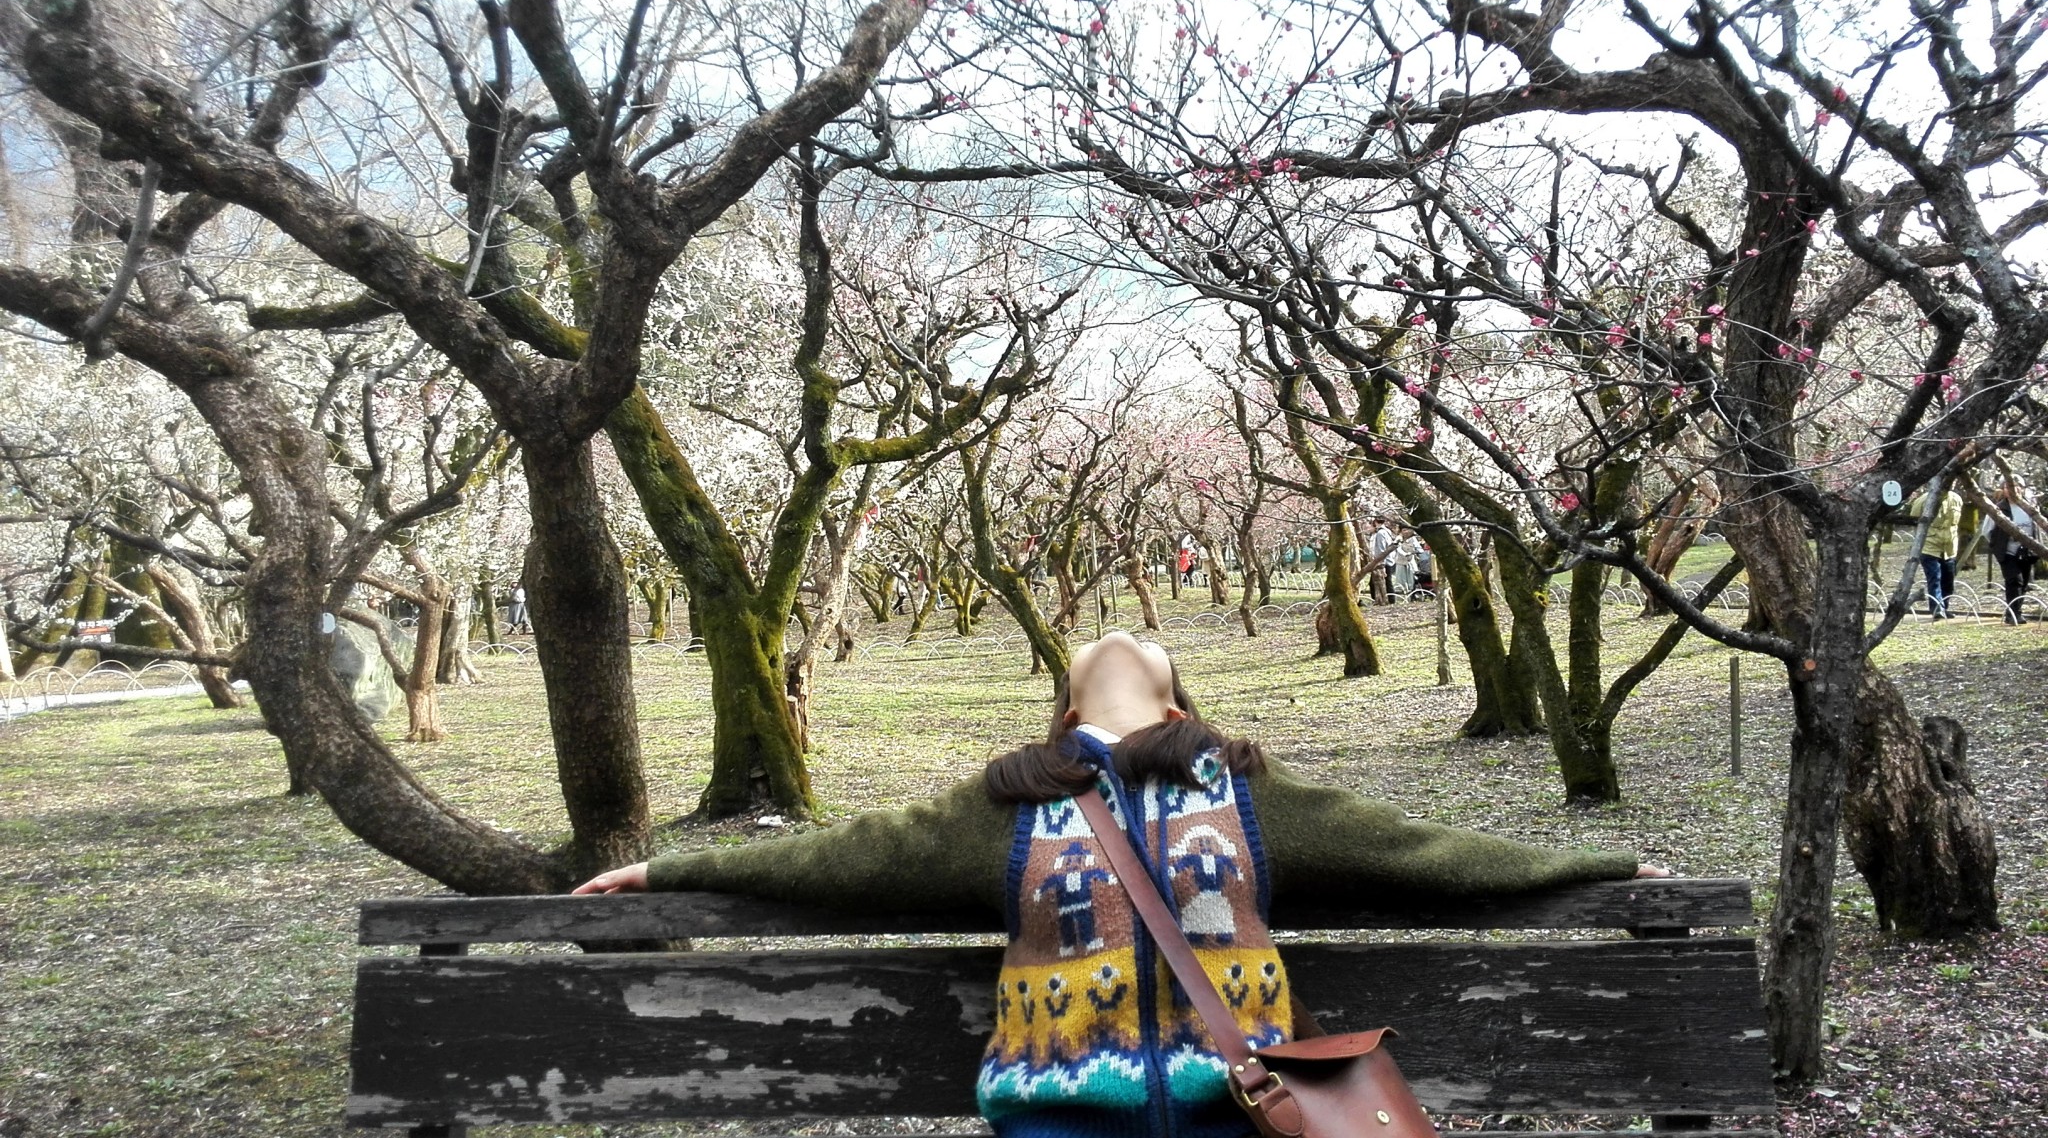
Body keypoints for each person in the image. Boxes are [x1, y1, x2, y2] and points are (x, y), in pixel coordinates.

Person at [576, 633, 1664, 1135]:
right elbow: (836, 859)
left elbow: (1421, 853)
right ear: (1062, 713)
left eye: (1145, 645)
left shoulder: (1244, 789)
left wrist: (1599, 864)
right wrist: (670, 867)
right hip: (1057, 1119)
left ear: (1179, 707)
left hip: (1245, 1111)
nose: (1117, 638)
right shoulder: (1004, 803)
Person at [1986, 483, 2038, 625]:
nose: (2013, 490)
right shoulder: (1999, 509)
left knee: (2024, 583)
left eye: (2017, 486)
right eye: (2008, 487)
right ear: (2004, 490)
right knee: (2014, 580)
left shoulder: (2029, 507)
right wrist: (1998, 544)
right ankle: (2013, 614)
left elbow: (2036, 528)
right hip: (2007, 552)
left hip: (2026, 551)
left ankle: (2016, 611)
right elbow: (1987, 530)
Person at [1910, 487, 1963, 619]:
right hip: (1929, 547)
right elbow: (1913, 521)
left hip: (1949, 548)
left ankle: (1944, 606)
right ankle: (1937, 609)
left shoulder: (1956, 499)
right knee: (1935, 579)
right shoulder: (1923, 500)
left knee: (1948, 581)